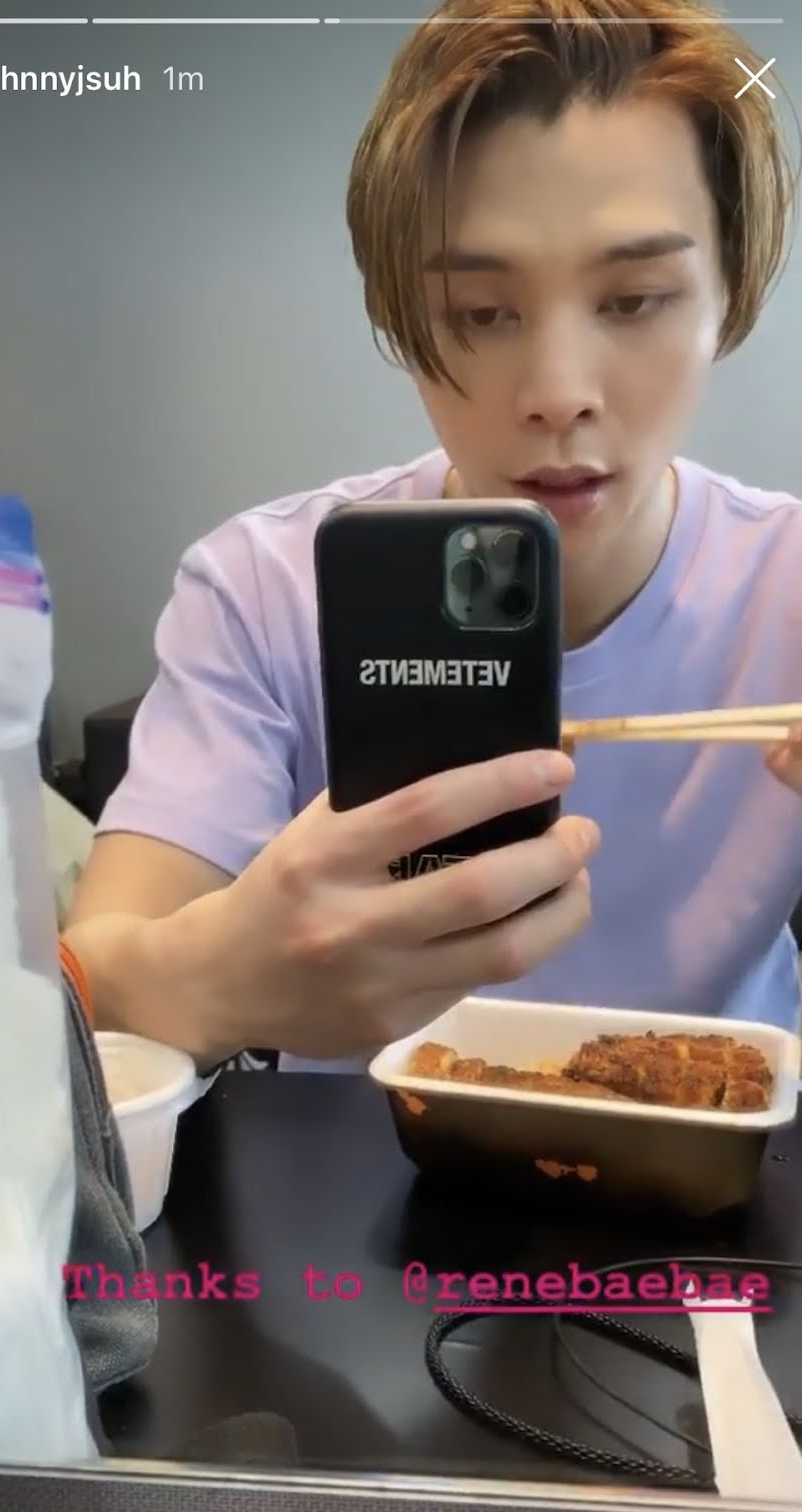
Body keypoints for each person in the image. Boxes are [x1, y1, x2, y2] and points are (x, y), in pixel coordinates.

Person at [65, 0, 802, 1075]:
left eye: (636, 299)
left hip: (724, 1158)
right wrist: (219, 979)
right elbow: (88, 979)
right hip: (356, 1165)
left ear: (729, 294)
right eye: (481, 313)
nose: (557, 392)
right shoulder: (267, 589)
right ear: (403, 320)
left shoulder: (787, 590)